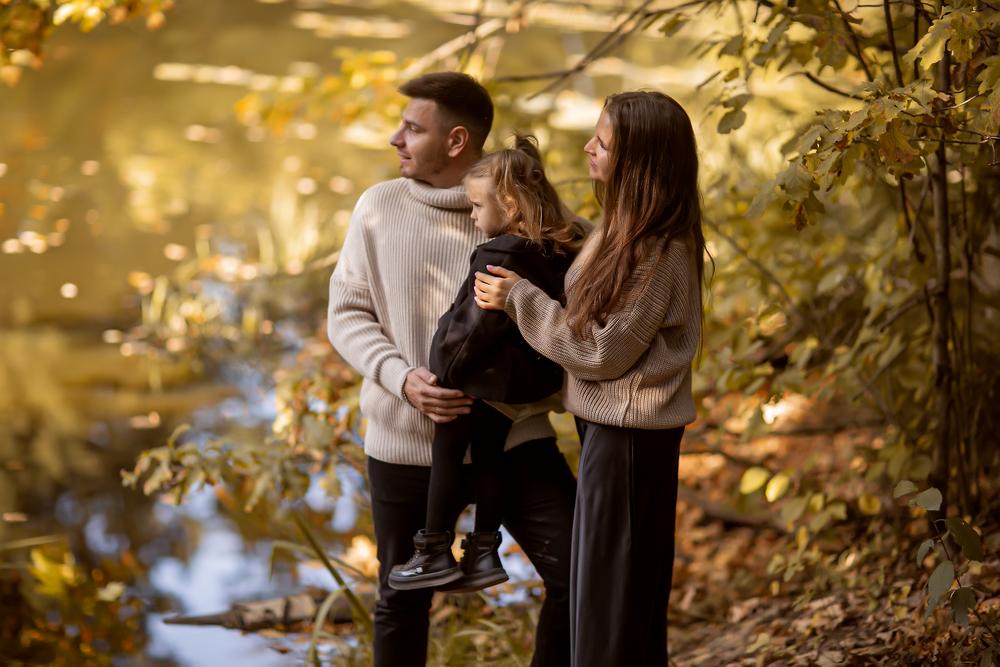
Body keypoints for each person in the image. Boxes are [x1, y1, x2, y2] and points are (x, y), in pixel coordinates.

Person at [326, 72, 576, 667]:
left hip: (515, 439)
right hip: (405, 446)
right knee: (400, 599)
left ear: (457, 140)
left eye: (412, 128)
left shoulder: (515, 204)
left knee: (577, 572)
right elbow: (347, 313)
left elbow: (586, 288)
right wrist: (400, 377)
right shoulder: (378, 207)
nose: (396, 138)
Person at [474, 90, 706, 666]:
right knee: (617, 593)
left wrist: (519, 299)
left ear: (639, 162)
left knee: (611, 599)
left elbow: (602, 351)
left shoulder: (656, 249)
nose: (587, 147)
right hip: (614, 435)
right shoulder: (625, 227)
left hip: (631, 444)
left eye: (601, 142)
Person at [387, 135, 586, 593]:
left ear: (511, 202)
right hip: (514, 388)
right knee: (490, 459)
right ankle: (481, 551)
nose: (473, 216)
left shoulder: (500, 253)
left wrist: (443, 370)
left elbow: (472, 326)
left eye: (476, 206)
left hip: (473, 382)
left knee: (449, 454)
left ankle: (433, 547)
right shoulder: (555, 248)